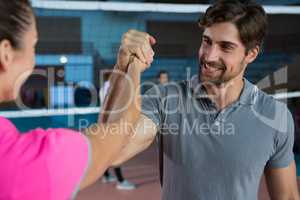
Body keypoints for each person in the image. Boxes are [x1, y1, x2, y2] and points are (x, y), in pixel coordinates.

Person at [105, 0, 300, 200]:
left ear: (251, 54)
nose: (209, 55)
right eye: (207, 41)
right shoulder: (165, 99)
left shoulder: (275, 115)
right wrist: (124, 68)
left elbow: (287, 196)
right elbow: (113, 153)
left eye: (226, 47)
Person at [0, 1, 145, 199]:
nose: (33, 60)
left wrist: (121, 67)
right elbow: (121, 129)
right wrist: (135, 65)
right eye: (33, 46)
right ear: (5, 53)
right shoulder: (29, 160)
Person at [99, 71, 136, 190]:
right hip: (111, 124)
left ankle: (106, 175)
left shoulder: (106, 88)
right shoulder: (110, 89)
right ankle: (120, 181)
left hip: (105, 123)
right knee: (116, 152)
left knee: (108, 152)